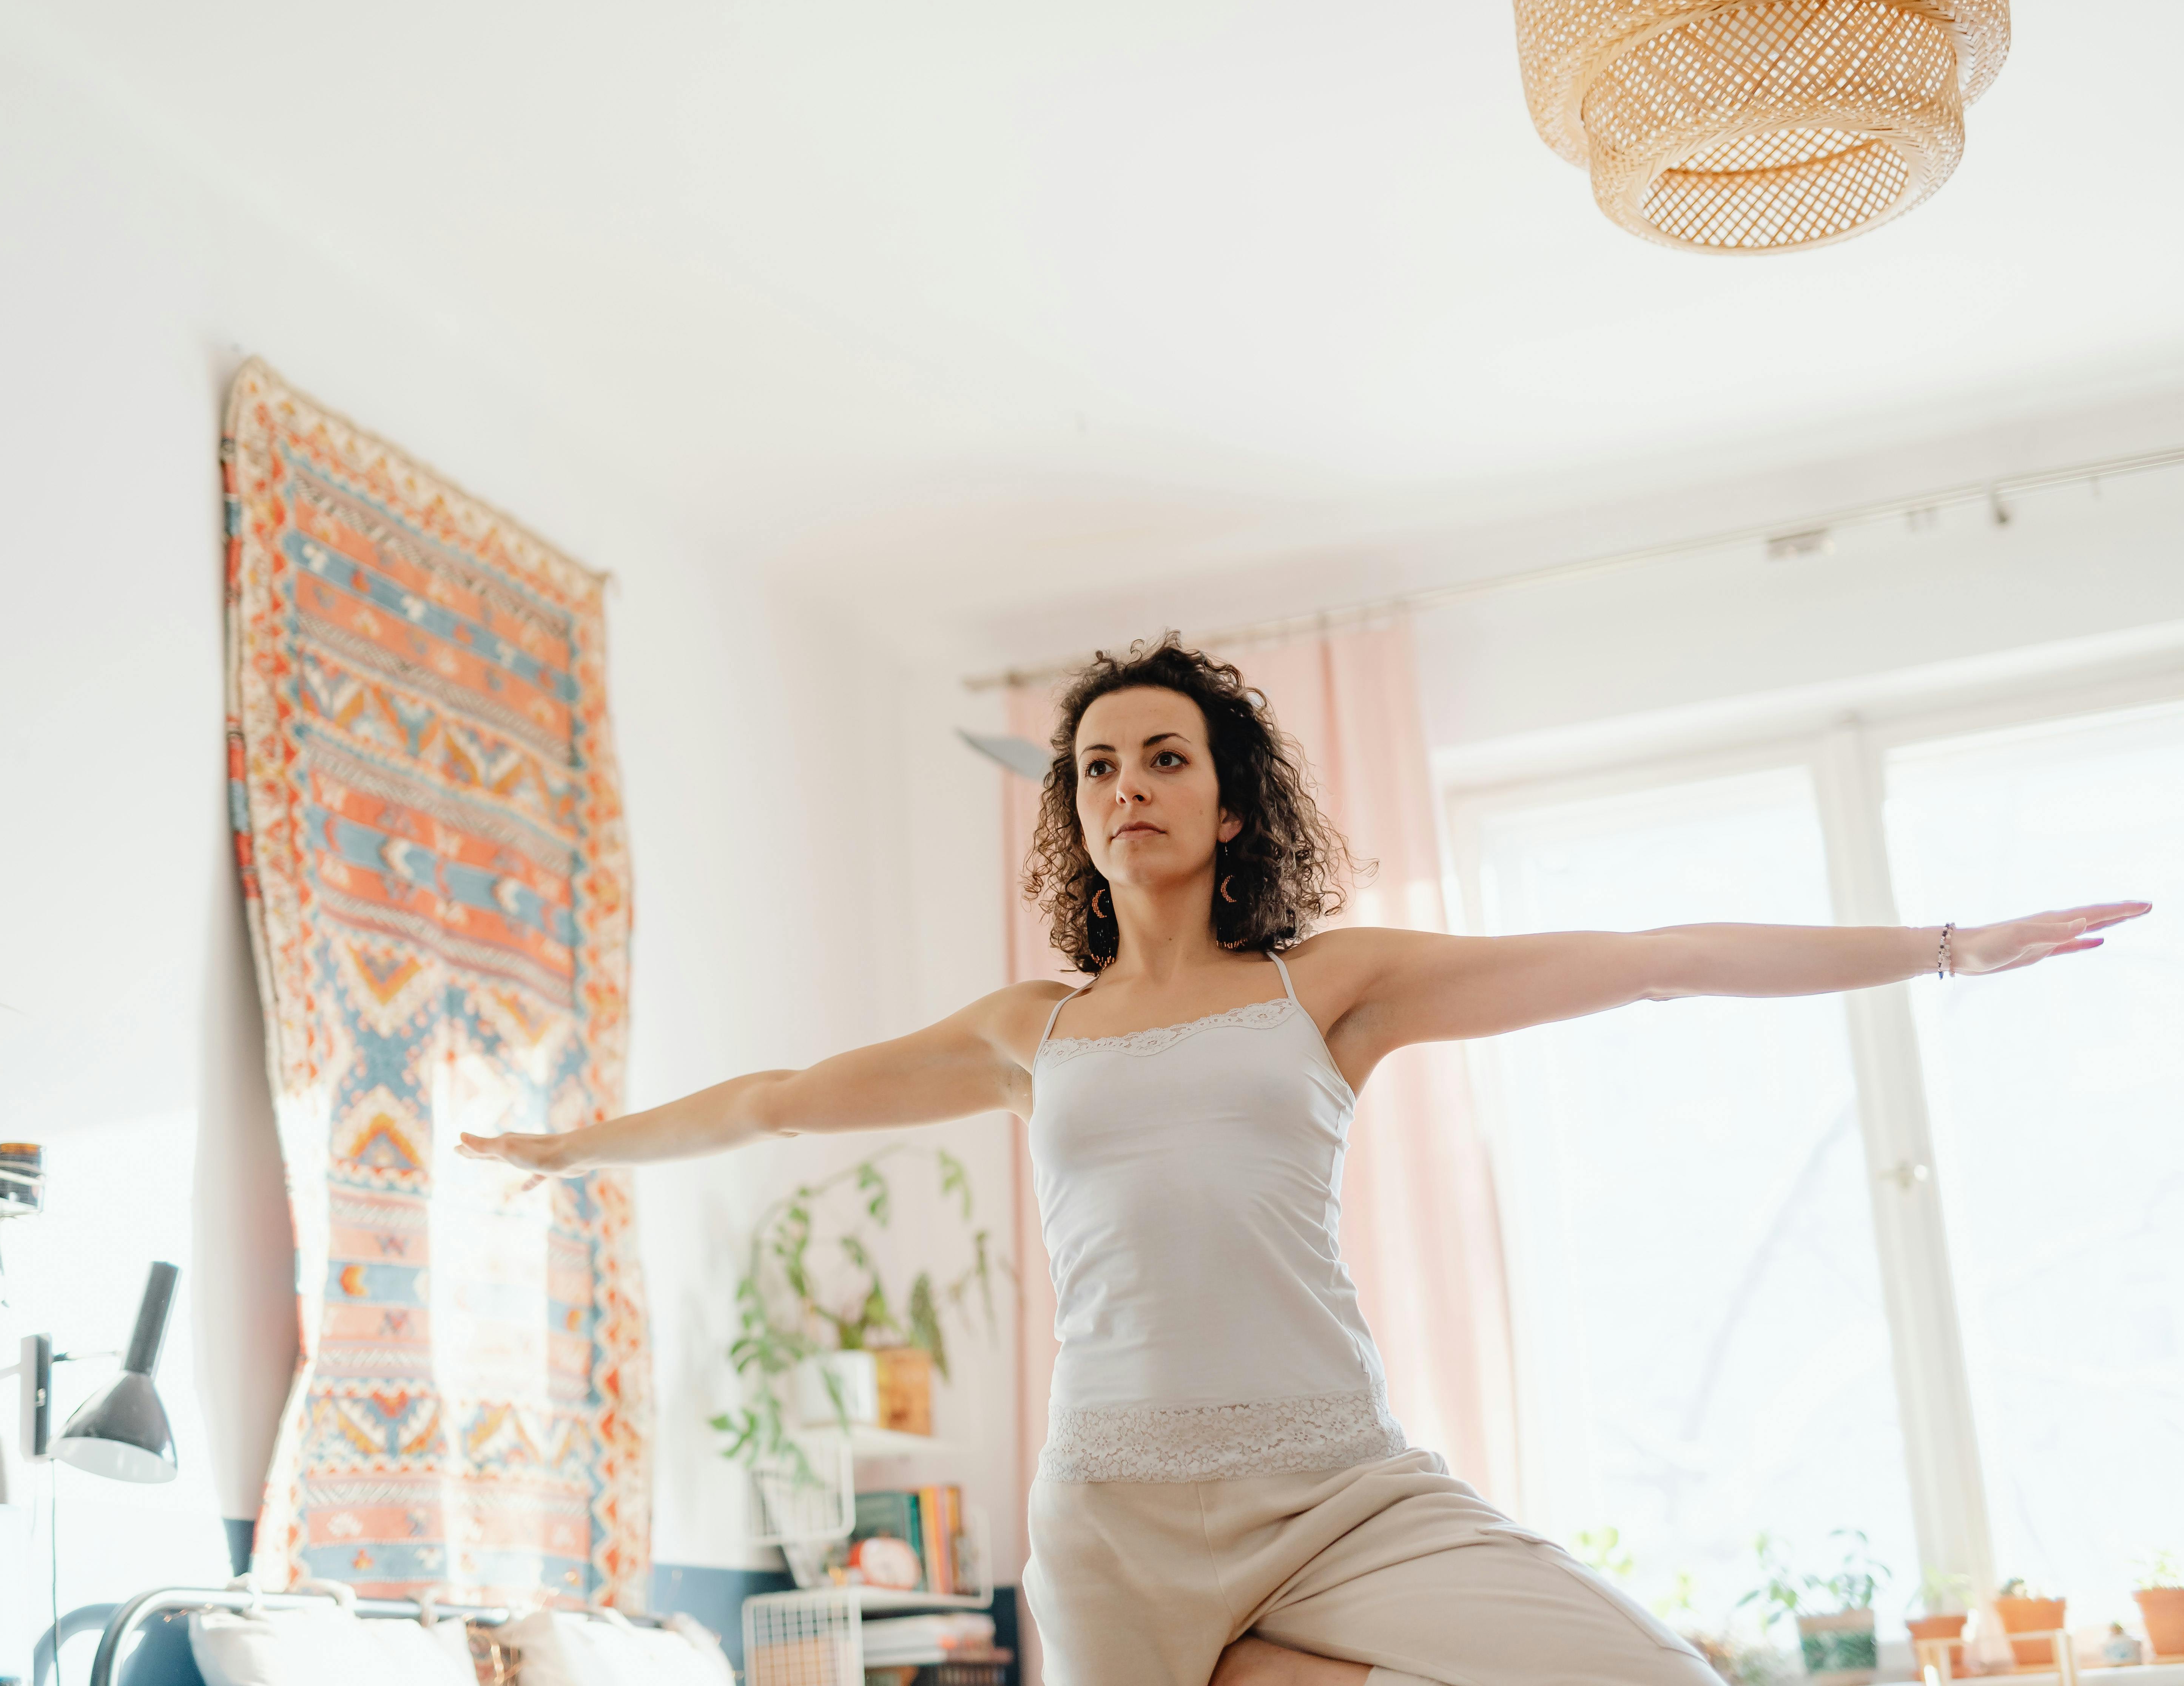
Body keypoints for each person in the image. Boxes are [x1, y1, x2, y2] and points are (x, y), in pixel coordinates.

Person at [459, 633, 2149, 1686]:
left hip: (1341, 1492)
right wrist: (568, 1147)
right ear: (1077, 812)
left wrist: (1944, 945)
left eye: (1165, 757)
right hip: (1112, 1516)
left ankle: (1272, 1661)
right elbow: (778, 1097)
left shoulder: (1328, 989)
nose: (1130, 783)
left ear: (1230, 802)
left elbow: (1650, 951)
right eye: (1100, 764)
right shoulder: (1025, 1030)